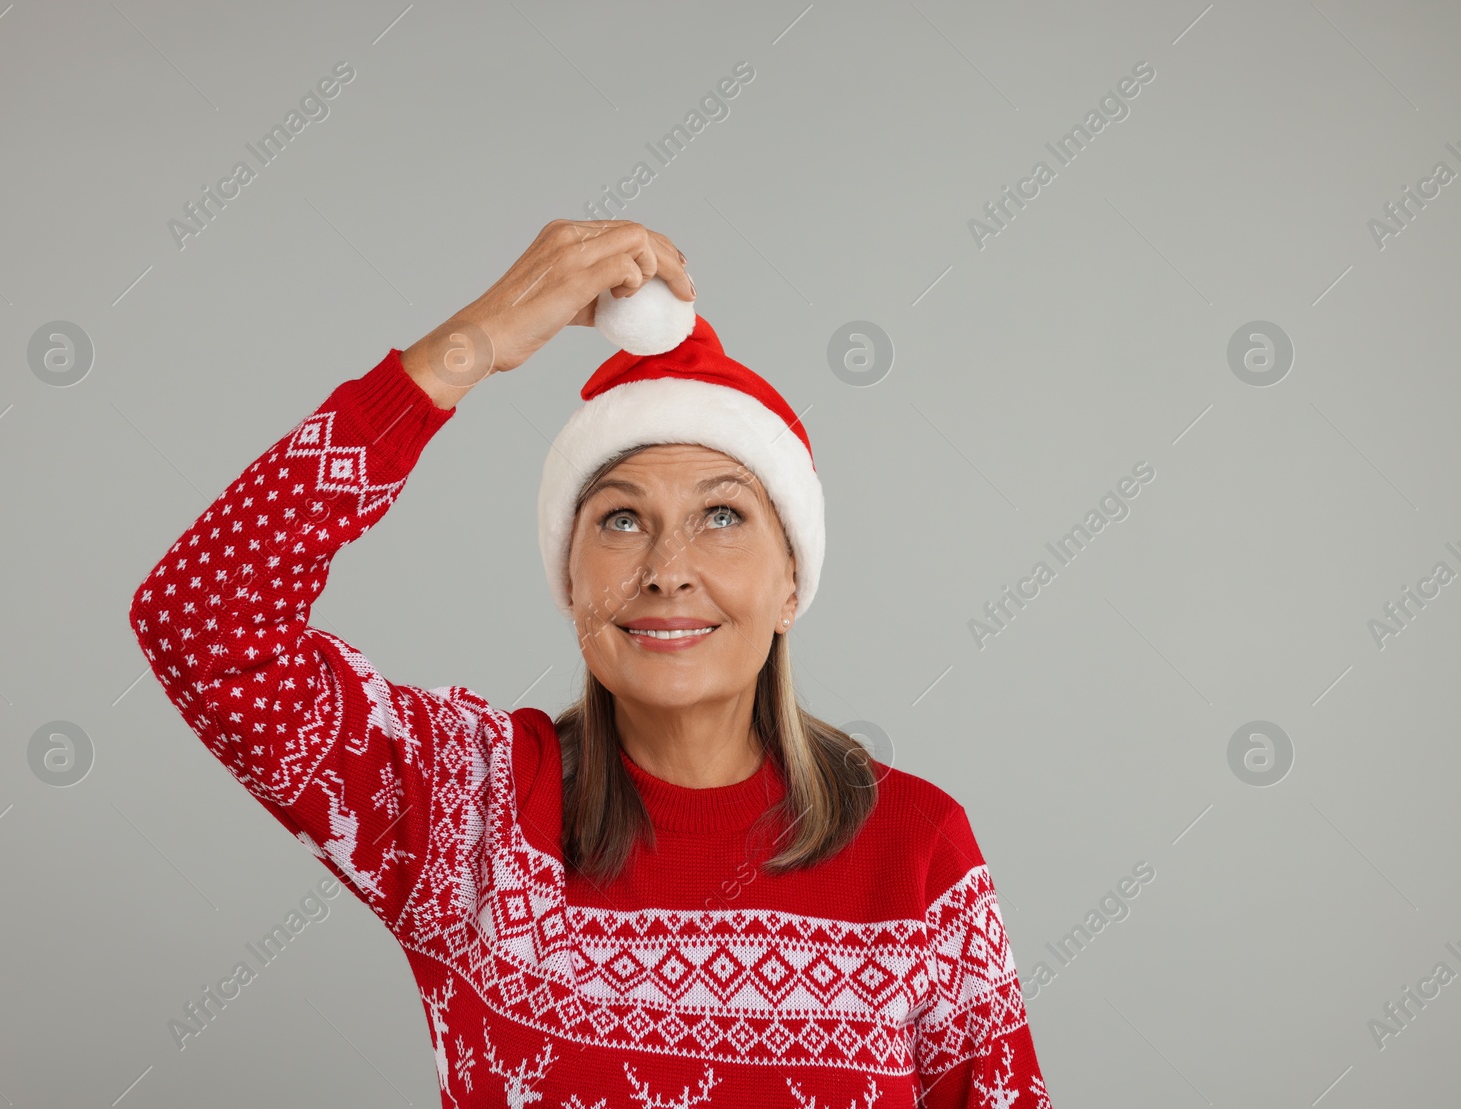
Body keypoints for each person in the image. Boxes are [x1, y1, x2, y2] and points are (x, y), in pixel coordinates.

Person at [129, 219, 1048, 1106]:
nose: (666, 570)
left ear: (792, 583)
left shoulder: (919, 851)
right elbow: (199, 621)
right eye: (619, 518)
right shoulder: (471, 815)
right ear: (570, 580)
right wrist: (472, 344)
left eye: (722, 515)